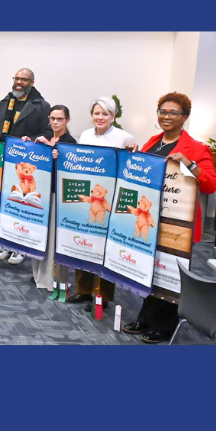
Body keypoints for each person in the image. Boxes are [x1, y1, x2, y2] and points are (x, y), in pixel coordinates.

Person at [122, 92, 216, 343]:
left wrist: (192, 165)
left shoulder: (197, 148)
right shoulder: (153, 142)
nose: (166, 116)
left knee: (170, 274)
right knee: (150, 269)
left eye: (173, 112)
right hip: (152, 218)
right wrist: (134, 156)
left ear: (184, 117)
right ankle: (146, 316)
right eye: (162, 111)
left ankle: (164, 325)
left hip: (179, 226)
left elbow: (210, 185)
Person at [64, 97, 137, 312]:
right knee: (84, 242)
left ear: (113, 116)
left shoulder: (124, 138)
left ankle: (102, 295)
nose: (100, 117)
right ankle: (84, 290)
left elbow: (130, 166)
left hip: (109, 200)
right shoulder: (86, 135)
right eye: (97, 113)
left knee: (105, 249)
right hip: (87, 197)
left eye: (105, 114)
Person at [0, 68, 54, 264]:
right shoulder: (4, 102)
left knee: (22, 203)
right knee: (6, 201)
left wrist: (31, 140)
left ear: (31, 82)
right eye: (16, 78)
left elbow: (47, 132)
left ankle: (21, 247)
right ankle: (5, 242)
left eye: (23, 79)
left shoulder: (41, 106)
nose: (19, 82)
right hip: (4, 160)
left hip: (26, 165)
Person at [31, 105, 76, 291]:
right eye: (52, 118)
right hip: (43, 192)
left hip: (58, 195)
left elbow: (71, 168)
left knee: (54, 239)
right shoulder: (47, 138)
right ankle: (39, 276)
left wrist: (54, 149)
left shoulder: (69, 141)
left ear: (67, 120)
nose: (55, 122)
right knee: (41, 236)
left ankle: (53, 280)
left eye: (60, 119)